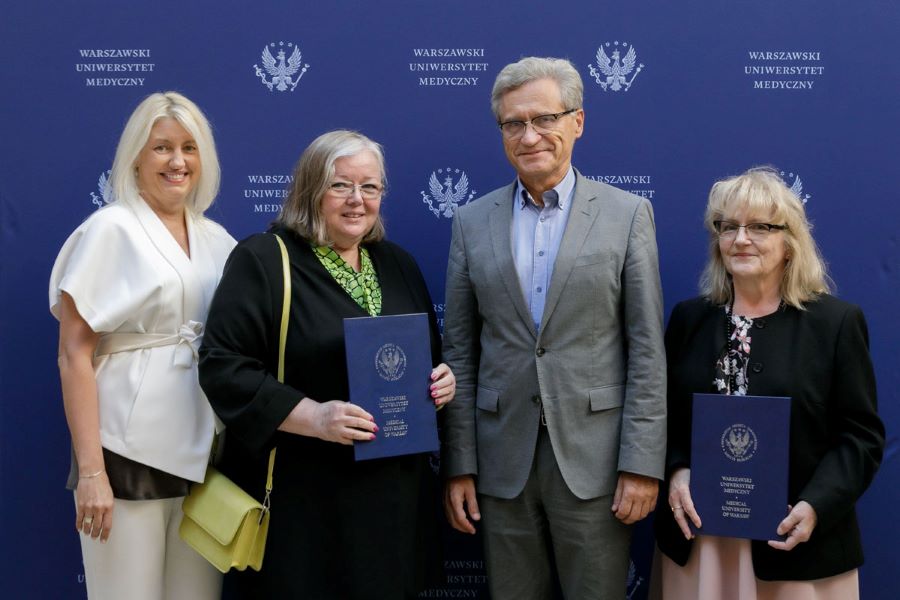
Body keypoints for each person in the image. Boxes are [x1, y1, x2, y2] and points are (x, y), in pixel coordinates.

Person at [441, 56, 667, 599]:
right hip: (500, 464)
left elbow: (645, 348)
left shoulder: (627, 214)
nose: (529, 135)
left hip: (596, 464)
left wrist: (642, 464)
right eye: (514, 123)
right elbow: (461, 354)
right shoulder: (471, 222)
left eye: (544, 118)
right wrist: (459, 465)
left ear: (577, 121)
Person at [198, 129, 456, 599]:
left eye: (370, 187)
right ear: (310, 189)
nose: (357, 200)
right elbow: (223, 367)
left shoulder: (398, 263)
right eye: (340, 185)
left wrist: (442, 383)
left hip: (393, 505)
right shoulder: (264, 259)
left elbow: (426, 360)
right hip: (307, 503)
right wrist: (314, 417)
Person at [653, 167, 885, 599]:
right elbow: (660, 415)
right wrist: (678, 470)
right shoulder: (690, 320)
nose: (741, 239)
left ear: (789, 243)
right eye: (729, 227)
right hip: (702, 544)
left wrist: (815, 506)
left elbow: (860, 437)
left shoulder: (835, 324)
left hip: (797, 544)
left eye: (760, 227)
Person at [50, 92, 237, 599]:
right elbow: (74, 353)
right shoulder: (110, 229)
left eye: (189, 148)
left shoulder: (219, 240)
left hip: (204, 455)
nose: (178, 162)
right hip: (124, 454)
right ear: (136, 155)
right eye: (161, 148)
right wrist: (92, 472)